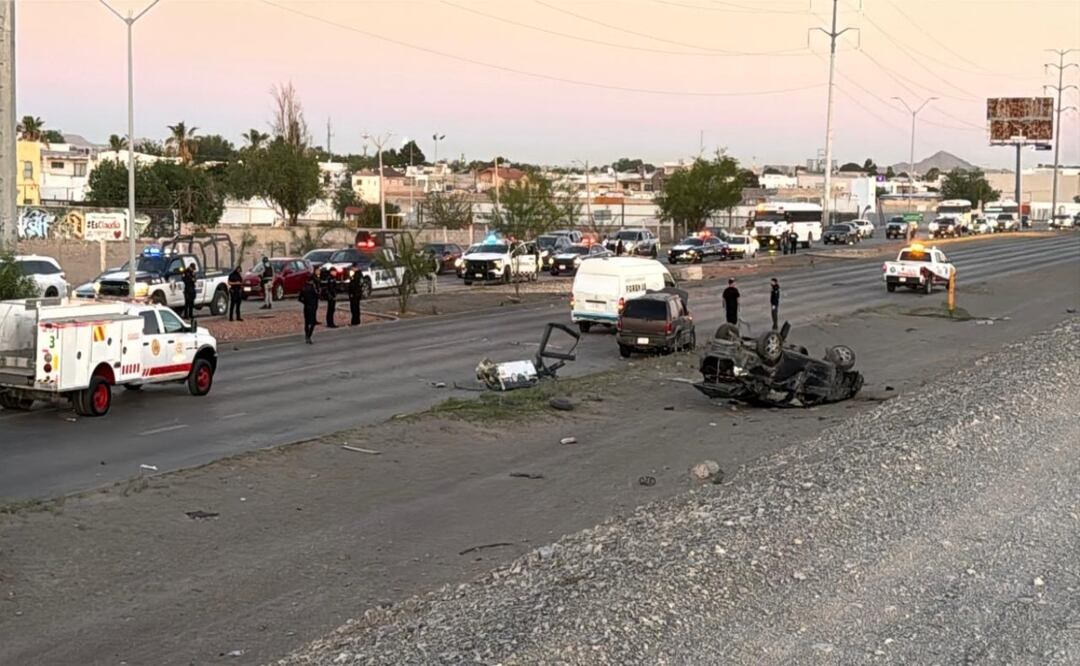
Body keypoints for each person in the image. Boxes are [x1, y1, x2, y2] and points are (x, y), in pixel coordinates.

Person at [298, 276, 319, 344]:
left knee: (306, 322)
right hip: (312, 307)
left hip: (306, 307)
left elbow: (300, 298)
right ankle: (309, 336)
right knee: (312, 323)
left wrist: (305, 302)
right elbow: (317, 296)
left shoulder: (303, 288)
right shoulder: (313, 288)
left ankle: (306, 335)